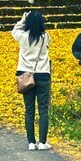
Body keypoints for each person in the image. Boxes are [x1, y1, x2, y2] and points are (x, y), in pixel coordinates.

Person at [12, 9, 52, 151]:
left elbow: (14, 31)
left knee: (29, 110)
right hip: (42, 74)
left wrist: (23, 19)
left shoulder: (23, 37)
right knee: (43, 109)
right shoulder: (45, 37)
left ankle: (31, 142)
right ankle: (42, 142)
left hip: (26, 75)